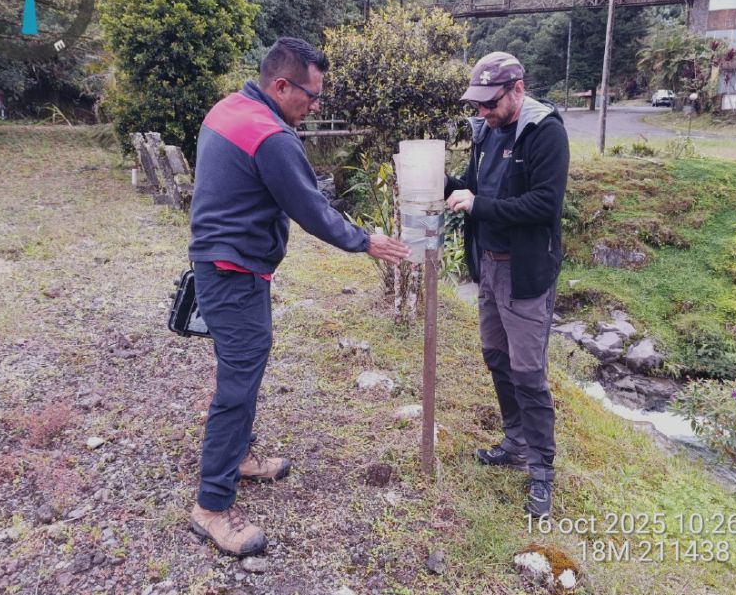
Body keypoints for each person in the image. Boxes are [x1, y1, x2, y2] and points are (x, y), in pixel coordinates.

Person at [186, 37, 410, 555]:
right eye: (311, 96)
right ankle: (212, 506)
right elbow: (312, 208)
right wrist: (366, 241)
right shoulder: (271, 136)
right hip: (233, 271)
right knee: (237, 384)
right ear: (280, 85)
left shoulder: (229, 107)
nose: (315, 106)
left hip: (221, 263)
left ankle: (239, 457)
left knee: (241, 369)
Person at [444, 52, 571, 516]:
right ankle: (515, 443)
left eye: (490, 103)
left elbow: (542, 205)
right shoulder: (486, 133)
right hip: (489, 268)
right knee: (496, 357)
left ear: (517, 89)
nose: (482, 112)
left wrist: (477, 205)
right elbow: (477, 188)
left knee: (528, 373)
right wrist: (442, 184)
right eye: (477, 104)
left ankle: (541, 471)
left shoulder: (545, 132)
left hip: (524, 272)